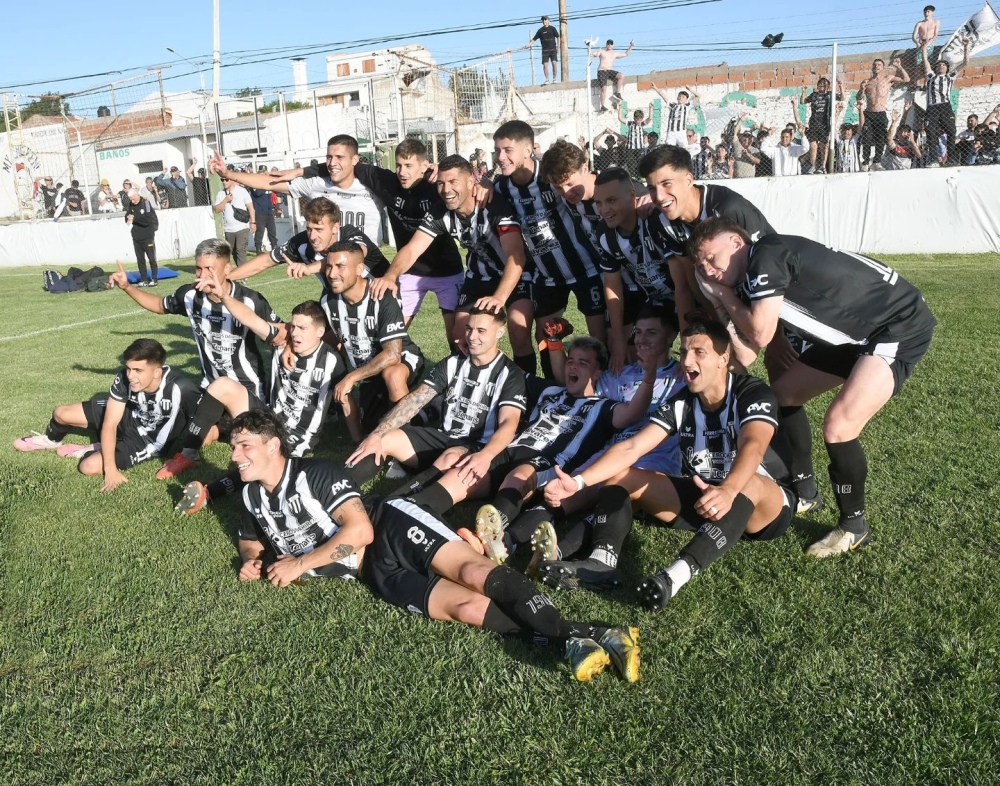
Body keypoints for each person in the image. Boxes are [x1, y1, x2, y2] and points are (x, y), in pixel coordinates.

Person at [226, 408, 640, 682]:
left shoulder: (315, 473)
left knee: (473, 573)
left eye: (245, 446)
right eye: (232, 447)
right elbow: (249, 540)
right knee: (466, 608)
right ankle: (596, 634)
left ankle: (570, 640)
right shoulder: (250, 495)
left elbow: (359, 533)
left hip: (389, 525)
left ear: (273, 446)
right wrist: (251, 559)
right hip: (374, 573)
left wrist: (299, 564)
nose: (236, 455)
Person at [687, 217, 937, 557]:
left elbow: (759, 333)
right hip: (855, 336)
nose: (708, 270)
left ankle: (853, 524)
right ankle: (806, 490)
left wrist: (724, 294)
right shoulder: (743, 280)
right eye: (700, 265)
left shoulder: (765, 254)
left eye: (711, 259)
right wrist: (720, 300)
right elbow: (747, 352)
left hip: (897, 325)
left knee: (839, 425)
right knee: (781, 395)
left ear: (735, 242)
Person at [542, 320, 794, 606]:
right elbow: (633, 446)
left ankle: (673, 576)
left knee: (749, 482)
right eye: (684, 351)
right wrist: (578, 482)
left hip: (764, 506)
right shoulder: (682, 401)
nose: (687, 361)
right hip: (707, 497)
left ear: (724, 359)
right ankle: (598, 561)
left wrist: (728, 490)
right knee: (622, 476)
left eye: (699, 352)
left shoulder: (752, 393)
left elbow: (754, 445)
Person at [405, 337, 649, 538]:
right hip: (511, 449)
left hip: (548, 462)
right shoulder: (550, 391)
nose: (573, 367)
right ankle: (412, 507)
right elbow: (510, 368)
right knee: (468, 466)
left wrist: (650, 375)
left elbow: (633, 413)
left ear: (597, 373)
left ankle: (487, 537)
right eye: (570, 361)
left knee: (519, 475)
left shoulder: (604, 407)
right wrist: (480, 344)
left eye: (582, 363)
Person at [172, 296, 346, 501]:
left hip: (296, 436)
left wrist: (356, 437)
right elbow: (251, 319)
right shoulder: (282, 343)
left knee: (259, 456)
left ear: (319, 332)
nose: (295, 333)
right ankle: (188, 453)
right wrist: (225, 296)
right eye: (293, 326)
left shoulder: (332, 361)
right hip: (269, 416)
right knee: (222, 385)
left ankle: (210, 493)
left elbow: (346, 397)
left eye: (302, 328)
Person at [376, 155, 535, 373]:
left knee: (519, 331)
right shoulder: (440, 211)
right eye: (441, 183)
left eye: (453, 182)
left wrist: (499, 297)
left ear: (471, 182)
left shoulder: (493, 204)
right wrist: (391, 275)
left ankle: (524, 392)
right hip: (480, 275)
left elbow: (516, 255)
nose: (446, 189)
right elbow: (413, 248)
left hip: (516, 273)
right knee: (461, 334)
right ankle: (470, 389)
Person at [346, 306, 527, 492]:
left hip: (475, 448)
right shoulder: (453, 362)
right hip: (442, 438)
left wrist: (486, 455)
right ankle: (335, 487)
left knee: (450, 457)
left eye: (481, 331)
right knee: (385, 438)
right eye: (469, 328)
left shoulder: (510, 374)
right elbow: (415, 399)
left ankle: (399, 502)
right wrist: (378, 433)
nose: (472, 336)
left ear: (500, 332)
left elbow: (509, 423)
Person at [313, 138, 468, 348]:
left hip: (447, 272)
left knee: (456, 337)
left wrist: (484, 183)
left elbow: (464, 180)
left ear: (424, 165)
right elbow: (344, 163)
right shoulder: (387, 181)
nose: (402, 172)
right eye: (399, 165)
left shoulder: (437, 186)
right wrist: (299, 172)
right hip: (410, 271)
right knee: (391, 333)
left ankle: (457, 377)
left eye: (409, 166)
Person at [109, 238, 284, 405]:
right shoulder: (190, 296)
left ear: (227, 269)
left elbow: (281, 334)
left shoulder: (251, 300)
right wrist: (127, 287)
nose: (203, 275)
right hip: (210, 388)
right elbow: (159, 305)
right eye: (198, 269)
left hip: (248, 389)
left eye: (210, 268)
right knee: (196, 430)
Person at [493, 120, 607, 377]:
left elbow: (595, 182)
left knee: (600, 337)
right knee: (545, 336)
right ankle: (547, 391)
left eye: (508, 150)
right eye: (497, 150)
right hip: (547, 276)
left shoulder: (551, 175)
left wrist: (641, 192)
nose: (501, 157)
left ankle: (601, 393)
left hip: (586, 269)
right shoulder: (500, 188)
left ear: (528, 150)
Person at [13, 339, 199, 492]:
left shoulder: (181, 388)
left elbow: (203, 421)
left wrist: (187, 453)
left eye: (138, 370)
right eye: (128, 368)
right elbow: (110, 423)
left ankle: (94, 448)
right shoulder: (125, 378)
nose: (131, 375)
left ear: (157, 371)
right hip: (130, 415)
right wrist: (110, 468)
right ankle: (51, 441)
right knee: (62, 413)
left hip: (147, 440)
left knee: (89, 466)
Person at [637, 145, 774, 332]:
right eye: (652, 188)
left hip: (779, 294)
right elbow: (692, 280)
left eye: (667, 183)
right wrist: (717, 325)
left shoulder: (728, 208)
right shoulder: (663, 221)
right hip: (730, 299)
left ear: (689, 179)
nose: (659, 197)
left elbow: (772, 262)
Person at [315, 241, 424, 440]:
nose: (331, 273)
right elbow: (328, 334)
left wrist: (351, 377)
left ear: (359, 269)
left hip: (402, 358)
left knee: (393, 374)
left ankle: (408, 443)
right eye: (329, 266)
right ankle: (425, 410)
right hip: (367, 372)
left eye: (340, 266)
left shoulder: (382, 297)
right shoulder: (328, 300)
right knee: (373, 428)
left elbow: (393, 354)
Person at [214, 135, 385, 243]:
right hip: (333, 274)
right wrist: (229, 173)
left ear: (355, 159)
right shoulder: (316, 185)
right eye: (329, 157)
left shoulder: (375, 188)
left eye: (339, 157)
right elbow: (268, 182)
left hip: (369, 273)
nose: (332, 163)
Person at [593, 168, 675, 373]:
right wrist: (619, 340)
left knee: (699, 349)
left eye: (611, 200)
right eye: (599, 203)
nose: (604, 210)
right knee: (633, 352)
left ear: (632, 195)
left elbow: (684, 280)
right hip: (654, 299)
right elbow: (612, 285)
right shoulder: (604, 233)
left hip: (687, 297)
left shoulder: (656, 219)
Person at [922, 38, 970, 167]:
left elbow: (965, 63)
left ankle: (951, 159)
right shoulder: (931, 76)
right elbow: (925, 61)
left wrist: (966, 47)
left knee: (951, 130)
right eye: (939, 65)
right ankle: (933, 159)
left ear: (947, 68)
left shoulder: (950, 77)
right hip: (932, 107)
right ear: (936, 68)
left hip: (945, 106)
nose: (941, 66)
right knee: (931, 132)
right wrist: (924, 47)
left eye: (944, 65)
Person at [858, 57, 910, 170]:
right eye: (875, 65)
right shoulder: (867, 82)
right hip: (869, 114)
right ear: (872, 67)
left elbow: (906, 79)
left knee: (881, 138)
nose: (876, 66)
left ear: (883, 68)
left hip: (881, 113)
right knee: (866, 138)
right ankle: (865, 162)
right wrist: (862, 89)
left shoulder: (888, 78)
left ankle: (876, 162)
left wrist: (899, 67)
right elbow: (858, 98)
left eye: (879, 65)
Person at [800, 77, 842, 174]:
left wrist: (840, 86)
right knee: (813, 146)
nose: (822, 86)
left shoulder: (830, 95)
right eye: (820, 84)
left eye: (824, 84)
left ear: (828, 86)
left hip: (825, 124)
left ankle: (822, 166)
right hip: (814, 123)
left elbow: (842, 97)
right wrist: (804, 91)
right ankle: (813, 165)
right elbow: (802, 101)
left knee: (824, 146)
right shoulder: (814, 95)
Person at [214, 172, 255, 266]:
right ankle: (240, 269)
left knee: (240, 249)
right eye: (222, 180)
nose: (224, 182)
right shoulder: (220, 194)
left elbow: (250, 207)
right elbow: (217, 210)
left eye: (226, 180)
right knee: (232, 251)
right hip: (228, 229)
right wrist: (225, 200)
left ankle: (243, 273)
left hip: (242, 226)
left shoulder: (242, 191)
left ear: (232, 180)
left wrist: (253, 222)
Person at [124, 188, 159, 287]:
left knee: (151, 258)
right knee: (140, 259)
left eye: (132, 198)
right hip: (136, 236)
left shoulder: (146, 203)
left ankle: (154, 279)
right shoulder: (131, 205)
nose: (131, 201)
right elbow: (127, 215)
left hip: (147, 236)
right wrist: (128, 218)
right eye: (130, 199)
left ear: (137, 195)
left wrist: (134, 219)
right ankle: (144, 279)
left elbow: (147, 220)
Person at [760, 111, 809, 176]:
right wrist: (769, 136)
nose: (784, 139)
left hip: (792, 179)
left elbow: (806, 148)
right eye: (783, 137)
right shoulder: (775, 149)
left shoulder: (795, 148)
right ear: (780, 137)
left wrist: (802, 134)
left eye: (787, 137)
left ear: (791, 137)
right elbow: (763, 148)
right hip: (778, 179)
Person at [596, 39, 633, 112]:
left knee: (621, 76)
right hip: (602, 71)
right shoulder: (602, 51)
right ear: (606, 45)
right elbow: (594, 54)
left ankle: (617, 93)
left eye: (611, 44)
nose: (609, 45)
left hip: (610, 71)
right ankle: (603, 106)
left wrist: (631, 46)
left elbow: (626, 54)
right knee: (604, 89)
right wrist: (589, 48)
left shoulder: (614, 54)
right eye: (608, 44)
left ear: (613, 45)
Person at [248, 165, 278, 254]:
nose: (263, 174)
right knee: (259, 232)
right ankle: (258, 248)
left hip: (269, 211)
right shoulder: (254, 183)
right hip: (259, 212)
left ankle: (274, 246)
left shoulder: (267, 183)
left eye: (264, 172)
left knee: (272, 231)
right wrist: (265, 186)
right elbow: (257, 193)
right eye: (261, 173)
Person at [532, 16, 560, 84]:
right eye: (543, 20)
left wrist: (558, 47)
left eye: (545, 19)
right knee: (545, 65)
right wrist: (529, 44)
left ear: (548, 20)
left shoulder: (552, 28)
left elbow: (558, 37)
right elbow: (534, 39)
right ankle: (547, 79)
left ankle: (554, 78)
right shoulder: (540, 30)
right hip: (545, 50)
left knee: (554, 63)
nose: (544, 21)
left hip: (553, 49)